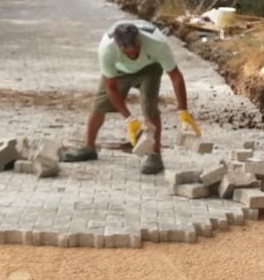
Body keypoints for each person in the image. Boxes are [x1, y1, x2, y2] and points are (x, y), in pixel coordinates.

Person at [61, 21, 201, 175]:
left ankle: (155, 155)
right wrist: (129, 119)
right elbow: (111, 88)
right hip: (119, 71)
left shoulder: (157, 44)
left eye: (136, 50)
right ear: (119, 47)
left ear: (140, 40)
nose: (133, 55)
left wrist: (183, 111)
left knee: (149, 106)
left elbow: (175, 75)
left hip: (149, 68)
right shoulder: (107, 49)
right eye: (129, 53)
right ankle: (89, 147)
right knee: (99, 105)